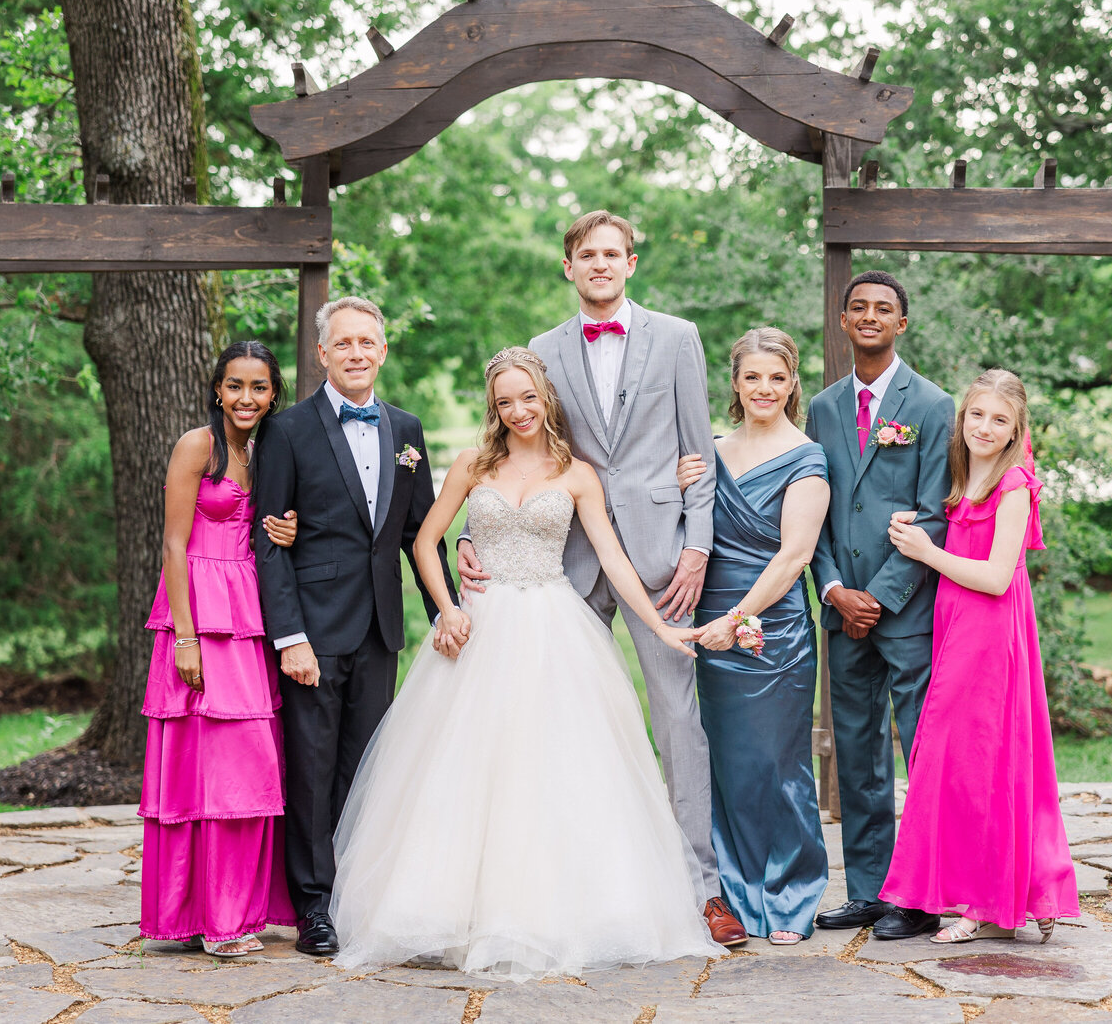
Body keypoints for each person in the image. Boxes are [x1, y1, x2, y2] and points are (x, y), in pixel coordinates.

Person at [328, 347, 722, 980]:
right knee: (465, 766)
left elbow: (615, 560)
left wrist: (661, 626)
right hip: (480, 629)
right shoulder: (473, 465)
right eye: (505, 401)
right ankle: (451, 910)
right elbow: (425, 540)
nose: (519, 411)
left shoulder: (577, 474)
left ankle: (551, 910)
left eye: (528, 398)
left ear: (546, 397)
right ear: (495, 407)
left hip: (551, 625)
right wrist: (447, 609)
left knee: (552, 768)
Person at [456, 211, 744, 947]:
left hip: (658, 559)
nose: (600, 264)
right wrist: (473, 533)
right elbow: (514, 445)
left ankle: (699, 888)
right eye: (587, 255)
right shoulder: (544, 350)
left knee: (678, 722)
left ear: (631, 263)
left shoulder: (678, 338)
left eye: (612, 254)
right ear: (569, 266)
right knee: (551, 724)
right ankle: (567, 885)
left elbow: (697, 448)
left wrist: (697, 547)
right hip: (564, 562)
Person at [252, 296, 454, 958]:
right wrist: (290, 637)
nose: (357, 353)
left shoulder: (406, 429)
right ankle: (313, 905)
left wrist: (443, 613)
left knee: (366, 770)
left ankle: (354, 895)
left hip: (379, 631)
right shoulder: (287, 430)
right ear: (323, 353)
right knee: (310, 770)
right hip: (312, 630)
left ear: (383, 350)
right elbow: (269, 542)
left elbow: (421, 535)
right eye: (344, 343)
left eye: (368, 341)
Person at [878, 369, 1078, 942]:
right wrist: (916, 529)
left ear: (1017, 429)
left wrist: (926, 551)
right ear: (961, 417)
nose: (984, 427)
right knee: (960, 764)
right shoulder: (967, 471)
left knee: (980, 765)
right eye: (976, 415)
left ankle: (978, 903)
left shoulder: (1014, 483)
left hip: (989, 636)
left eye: (999, 420)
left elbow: (994, 577)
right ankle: (1010, 887)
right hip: (955, 629)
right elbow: (959, 534)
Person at [806, 270, 955, 939]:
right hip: (842, 609)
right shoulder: (820, 407)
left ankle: (921, 895)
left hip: (907, 610)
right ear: (843, 321)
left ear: (901, 323)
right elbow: (811, 512)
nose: (870, 316)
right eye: (858, 306)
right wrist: (836, 589)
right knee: (858, 755)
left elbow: (935, 514)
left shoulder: (932, 405)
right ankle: (868, 889)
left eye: (884, 308)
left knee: (921, 754)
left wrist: (884, 594)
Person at [673, 328, 832, 946]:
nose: (764, 388)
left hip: (772, 629)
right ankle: (734, 895)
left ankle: (789, 896)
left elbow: (794, 557)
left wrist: (736, 618)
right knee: (726, 764)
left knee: (778, 762)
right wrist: (682, 477)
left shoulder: (807, 458)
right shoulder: (709, 451)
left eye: (777, 377)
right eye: (752, 377)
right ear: (735, 384)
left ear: (792, 384)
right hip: (709, 626)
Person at [139, 340, 297, 957]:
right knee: (201, 772)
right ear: (216, 389)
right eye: (235, 386)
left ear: (272, 394)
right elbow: (174, 544)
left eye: (258, 387)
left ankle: (239, 909)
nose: (246, 398)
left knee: (249, 768)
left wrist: (284, 526)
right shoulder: (196, 446)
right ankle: (206, 920)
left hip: (249, 615)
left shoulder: (267, 449)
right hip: (199, 616)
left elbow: (276, 526)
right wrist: (184, 636)